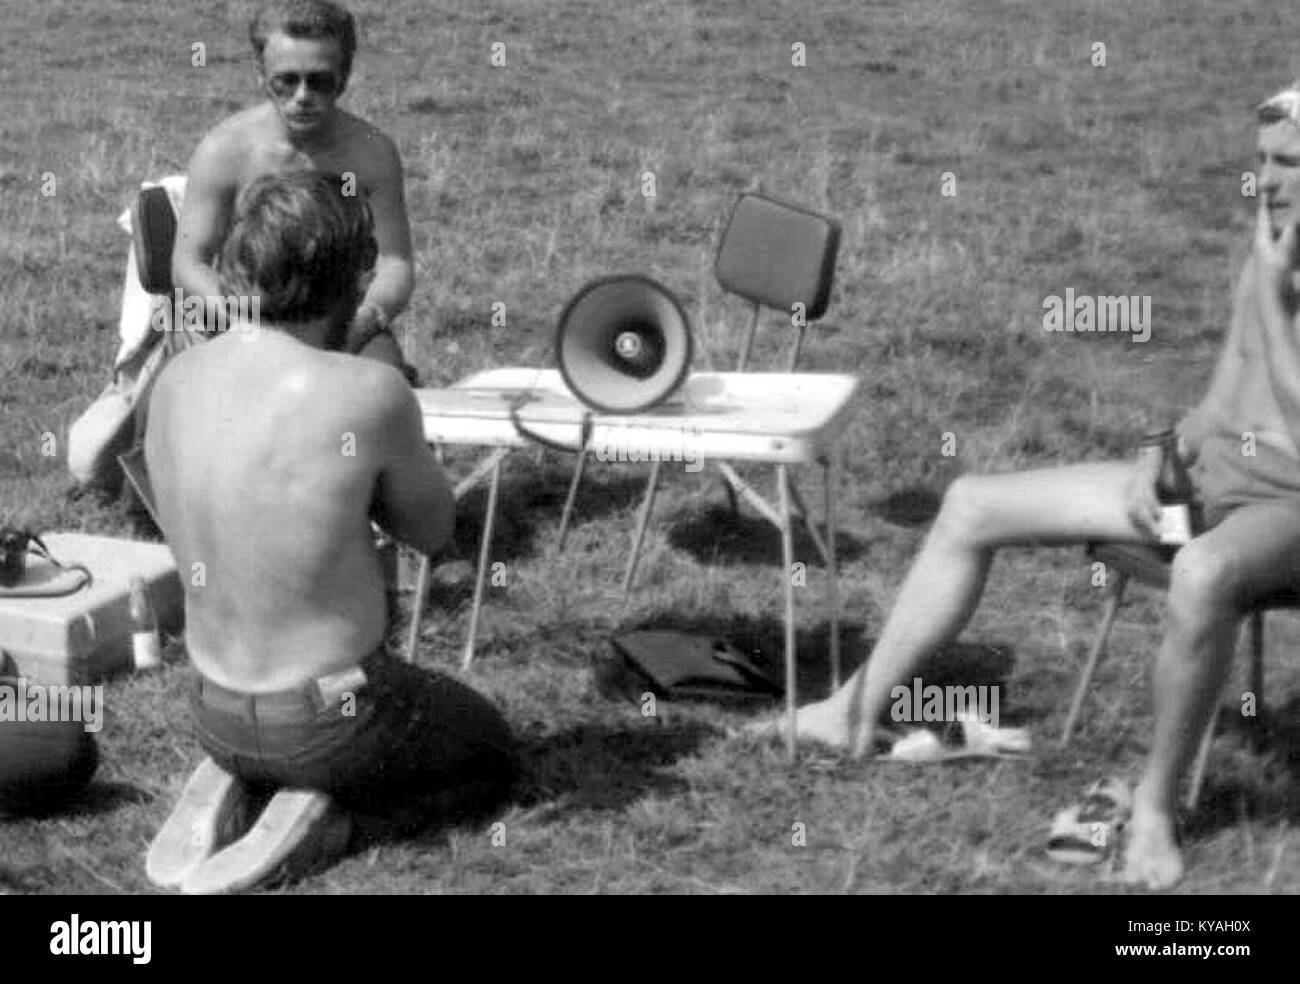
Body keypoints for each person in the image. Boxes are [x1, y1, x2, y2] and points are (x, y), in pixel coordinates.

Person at [753, 86, 1300, 891]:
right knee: (972, 502)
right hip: (1214, 473)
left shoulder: (1277, 261)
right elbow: (1229, 390)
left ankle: (1153, 806)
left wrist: (1274, 292)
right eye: (1260, 164)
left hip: (1286, 506)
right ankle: (850, 710)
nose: (1266, 183)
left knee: (1203, 572)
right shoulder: (1273, 242)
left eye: (1287, 165)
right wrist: (1162, 447)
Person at [143, 169, 516, 894]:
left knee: (276, 732)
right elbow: (433, 530)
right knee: (490, 752)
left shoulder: (176, 379)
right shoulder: (368, 392)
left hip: (212, 704)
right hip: (330, 714)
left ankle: (242, 782)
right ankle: (337, 825)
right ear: (352, 276)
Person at [171, 0, 415, 377]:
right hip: (243, 314)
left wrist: (361, 325)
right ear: (260, 75)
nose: (302, 96)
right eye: (286, 81)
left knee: (386, 388)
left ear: (345, 77)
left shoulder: (372, 153)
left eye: (319, 81)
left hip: (343, 319)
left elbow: (395, 261)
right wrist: (242, 325)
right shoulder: (224, 151)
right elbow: (189, 262)